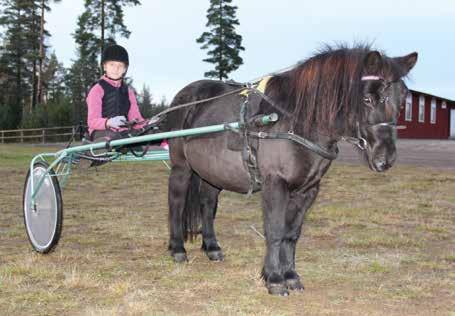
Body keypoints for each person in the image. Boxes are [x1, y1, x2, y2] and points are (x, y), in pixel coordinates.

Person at [86, 44, 147, 143]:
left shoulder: (128, 91)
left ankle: (167, 147)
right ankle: (96, 149)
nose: (116, 69)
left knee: (149, 133)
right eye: (112, 65)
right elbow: (92, 121)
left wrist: (148, 124)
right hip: (100, 131)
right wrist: (108, 122)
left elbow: (136, 119)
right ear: (105, 66)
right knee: (116, 138)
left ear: (124, 69)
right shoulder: (97, 89)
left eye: (120, 66)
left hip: (123, 132)